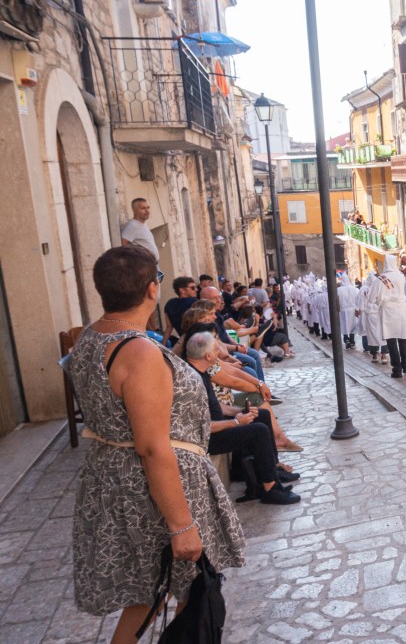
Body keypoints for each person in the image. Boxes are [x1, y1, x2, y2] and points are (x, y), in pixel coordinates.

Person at [68, 246, 244, 641]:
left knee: (152, 593)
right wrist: (182, 524)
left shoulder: (91, 337)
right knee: (179, 588)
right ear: (152, 289)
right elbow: (151, 445)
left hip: (116, 478)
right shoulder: (138, 352)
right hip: (151, 490)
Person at [184, 332, 300, 505]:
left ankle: (271, 471)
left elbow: (216, 407)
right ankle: (270, 488)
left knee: (262, 415)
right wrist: (236, 422)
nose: (220, 353)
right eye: (217, 349)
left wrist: (238, 412)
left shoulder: (200, 370)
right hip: (207, 437)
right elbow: (201, 426)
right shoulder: (192, 381)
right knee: (258, 431)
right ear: (208, 355)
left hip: (217, 426)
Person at [378, 255, 406, 378]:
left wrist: (381, 300)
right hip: (401, 310)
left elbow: (372, 297)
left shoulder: (382, 278)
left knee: (391, 340)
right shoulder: (401, 276)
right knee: (403, 339)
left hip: (388, 312)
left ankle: (397, 368)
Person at [119, 198, 159, 263]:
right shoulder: (132, 226)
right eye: (143, 208)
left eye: (148, 207)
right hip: (145, 267)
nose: (147, 211)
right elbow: (124, 246)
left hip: (153, 265)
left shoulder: (143, 223)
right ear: (134, 211)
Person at [357, 274, 385, 363]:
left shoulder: (364, 289)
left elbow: (361, 301)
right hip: (378, 313)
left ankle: (374, 354)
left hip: (370, 313)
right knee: (382, 333)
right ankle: (383, 354)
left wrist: (360, 310)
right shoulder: (380, 287)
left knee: (372, 334)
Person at [163, 276, 197, 344]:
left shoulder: (169, 304)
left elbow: (169, 327)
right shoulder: (195, 302)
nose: (196, 289)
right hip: (198, 340)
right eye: (192, 288)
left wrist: (163, 345)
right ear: (182, 290)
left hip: (184, 342)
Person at [338, 272, 360, 349]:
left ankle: (346, 339)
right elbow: (358, 299)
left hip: (343, 310)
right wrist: (358, 309)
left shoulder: (338, 290)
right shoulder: (355, 289)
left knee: (345, 325)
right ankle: (352, 340)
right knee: (352, 326)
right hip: (353, 310)